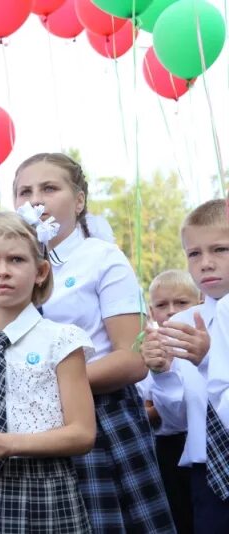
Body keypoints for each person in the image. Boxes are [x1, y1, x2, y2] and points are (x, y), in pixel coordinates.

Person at [13, 152, 174, 532]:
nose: (35, 200)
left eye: (49, 188)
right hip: (31, 424)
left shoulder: (102, 258)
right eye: (24, 191)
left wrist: (52, 380)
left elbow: (132, 359)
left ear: (80, 201)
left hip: (103, 418)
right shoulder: (11, 265)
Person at [0, 211, 95, 532]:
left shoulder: (61, 340)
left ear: (40, 271)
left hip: (47, 487)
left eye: (16, 260)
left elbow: (83, 433)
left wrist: (9, 444)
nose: (3, 271)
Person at [146, 199, 229, 531]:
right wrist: (162, 374)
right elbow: (177, 420)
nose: (206, 264)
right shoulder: (180, 325)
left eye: (220, 249)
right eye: (194, 254)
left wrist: (210, 361)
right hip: (207, 473)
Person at [137, 270, 200, 534]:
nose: (172, 311)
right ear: (151, 312)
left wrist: (154, 408)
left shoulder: (206, 348)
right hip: (165, 451)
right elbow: (144, 405)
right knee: (177, 517)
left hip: (201, 445)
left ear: (198, 303)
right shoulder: (147, 351)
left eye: (181, 303)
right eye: (162, 305)